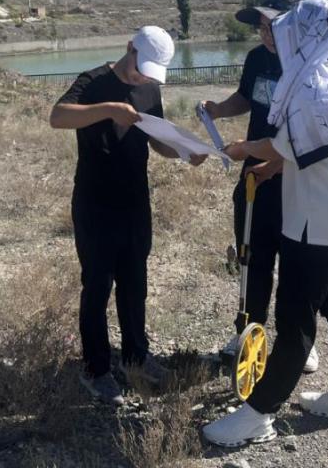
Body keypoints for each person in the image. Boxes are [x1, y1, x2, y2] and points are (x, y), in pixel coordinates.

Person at [203, 0, 328, 447]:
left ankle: (258, 414)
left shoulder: (312, 86)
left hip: (313, 221)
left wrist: (244, 150)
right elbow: (310, 147)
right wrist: (270, 167)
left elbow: (278, 144)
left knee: (296, 320)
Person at [49, 26, 206, 405]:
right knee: (97, 285)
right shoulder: (93, 81)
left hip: (135, 201)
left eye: (150, 73)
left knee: (135, 283)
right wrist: (108, 109)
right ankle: (96, 369)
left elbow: (156, 139)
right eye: (140, 68)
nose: (142, 78)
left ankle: (136, 356)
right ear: (129, 48)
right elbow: (58, 116)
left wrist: (185, 152)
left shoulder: (150, 88)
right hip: (95, 201)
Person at [201, 0, 320, 373]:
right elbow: (246, 98)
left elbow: (313, 130)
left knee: (296, 261)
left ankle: (299, 340)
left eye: (273, 25)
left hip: (296, 176)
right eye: (261, 26)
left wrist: (277, 160)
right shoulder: (256, 59)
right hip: (255, 174)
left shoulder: (309, 63)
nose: (266, 33)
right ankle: (249, 331)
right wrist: (219, 110)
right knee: (252, 256)